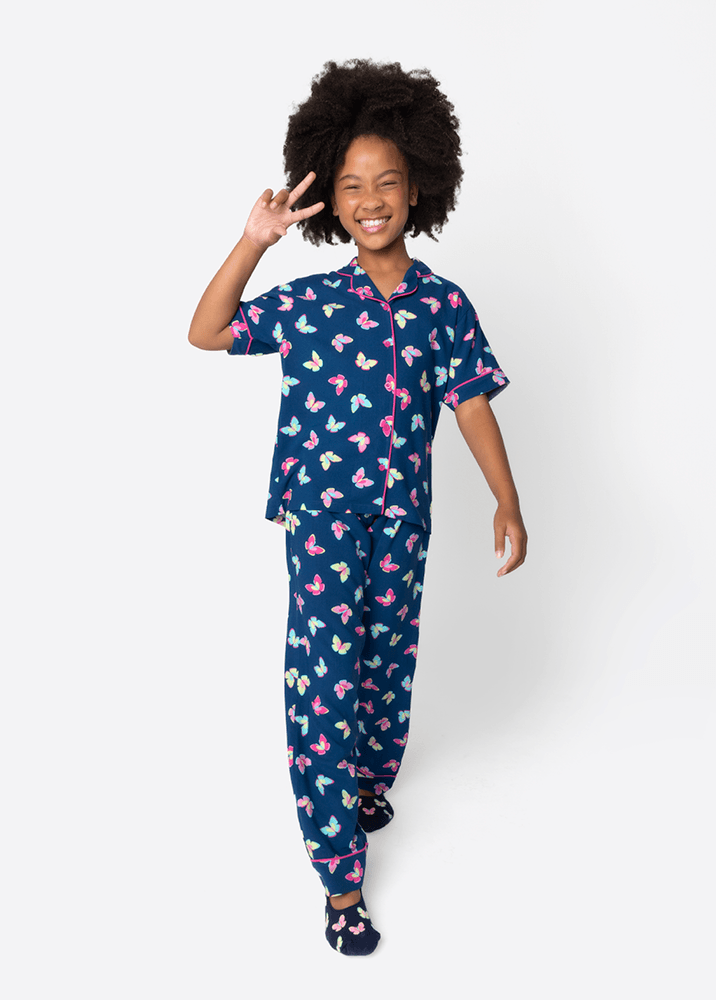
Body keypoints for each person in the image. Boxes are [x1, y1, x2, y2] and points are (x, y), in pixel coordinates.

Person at [188, 59, 527, 956]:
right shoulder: (308, 303)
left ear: (418, 187)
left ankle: (370, 779)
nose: (370, 199)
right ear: (330, 202)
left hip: (403, 517)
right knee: (327, 678)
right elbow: (207, 330)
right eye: (350, 185)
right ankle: (340, 878)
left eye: (386, 181)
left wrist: (507, 498)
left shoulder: (443, 306)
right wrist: (254, 241)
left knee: (387, 661)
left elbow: (471, 402)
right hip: (322, 521)